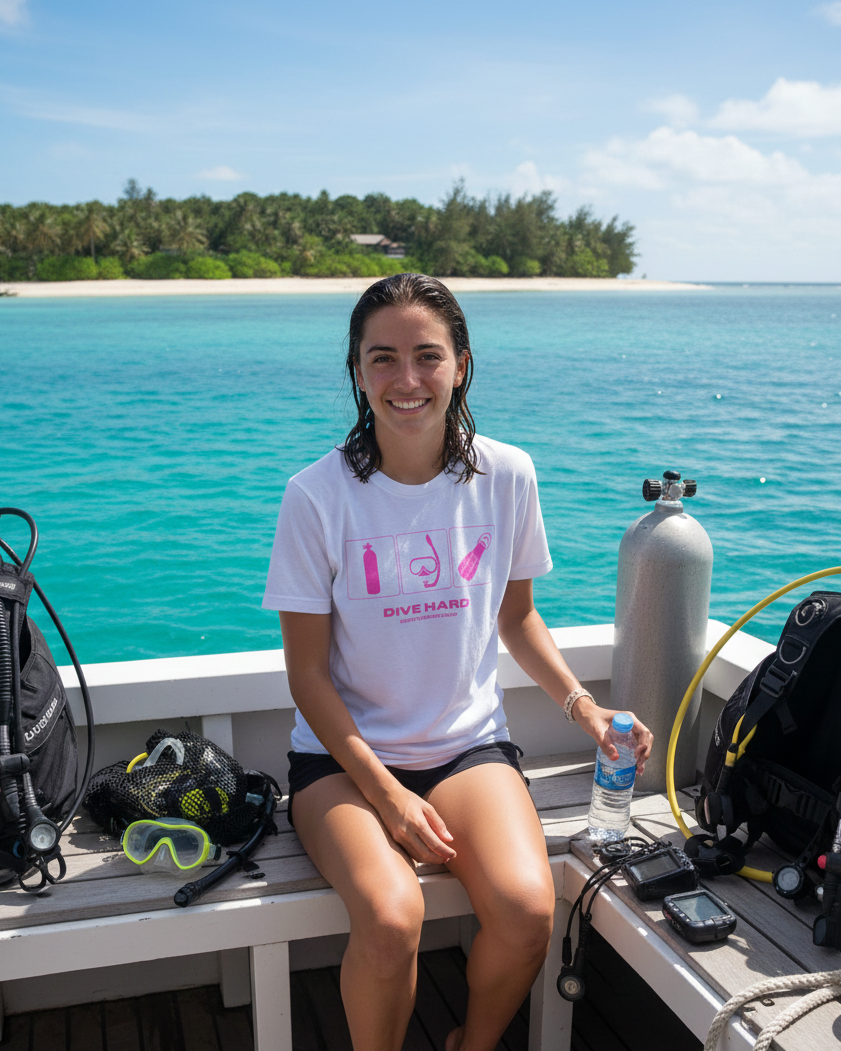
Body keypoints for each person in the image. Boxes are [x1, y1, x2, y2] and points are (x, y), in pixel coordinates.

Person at [263, 273, 652, 1051]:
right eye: (382, 358)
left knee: (525, 910)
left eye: (426, 356)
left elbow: (517, 617)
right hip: (342, 766)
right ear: (356, 370)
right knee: (389, 913)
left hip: (468, 749)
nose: (405, 380)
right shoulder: (315, 496)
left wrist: (585, 707)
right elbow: (306, 675)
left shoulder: (506, 475)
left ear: (461, 364)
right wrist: (387, 797)